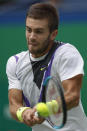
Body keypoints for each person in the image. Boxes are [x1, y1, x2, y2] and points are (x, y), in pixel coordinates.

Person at [6, 2, 87, 131]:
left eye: (38, 31)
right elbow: (13, 105)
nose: (31, 37)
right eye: (28, 30)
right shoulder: (14, 63)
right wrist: (23, 112)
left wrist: (46, 109)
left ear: (53, 34)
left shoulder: (66, 53)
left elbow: (72, 96)